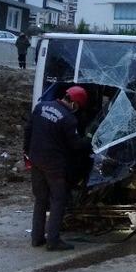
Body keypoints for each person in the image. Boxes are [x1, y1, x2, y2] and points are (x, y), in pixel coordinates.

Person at [23, 86, 92, 251]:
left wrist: (27, 152)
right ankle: (53, 241)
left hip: (36, 160)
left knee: (40, 199)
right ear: (74, 103)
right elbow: (75, 145)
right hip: (54, 166)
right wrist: (89, 140)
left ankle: (37, 237)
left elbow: (28, 131)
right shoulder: (69, 119)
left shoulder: (40, 107)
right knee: (58, 200)